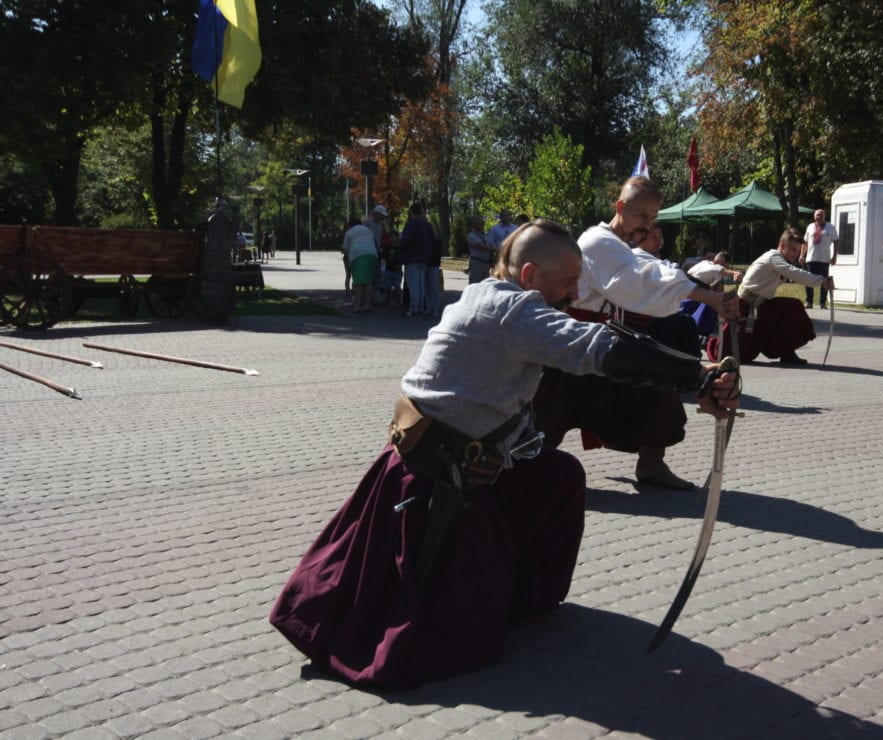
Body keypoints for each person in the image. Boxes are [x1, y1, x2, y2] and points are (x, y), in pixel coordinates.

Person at [268, 219, 739, 690]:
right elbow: (595, 346)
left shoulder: (484, 293)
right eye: (567, 283)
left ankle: (526, 597)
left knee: (557, 475)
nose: (576, 293)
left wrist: (686, 372)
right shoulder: (513, 312)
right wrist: (696, 377)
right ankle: (485, 601)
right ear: (530, 275)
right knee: (447, 628)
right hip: (439, 478)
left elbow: (597, 345)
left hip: (451, 454)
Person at [532, 175, 741, 490]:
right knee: (547, 415)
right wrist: (708, 297)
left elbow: (660, 271)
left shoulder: (624, 246)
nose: (647, 225)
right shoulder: (596, 241)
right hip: (570, 342)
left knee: (655, 383)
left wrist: (714, 297)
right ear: (620, 207)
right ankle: (527, 470)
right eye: (642, 216)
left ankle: (651, 464)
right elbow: (636, 282)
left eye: (653, 218)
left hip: (604, 341)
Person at [709, 228, 833, 366]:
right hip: (744, 306)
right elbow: (794, 273)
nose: (795, 254)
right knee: (732, 353)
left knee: (791, 307)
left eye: (798, 251)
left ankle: (787, 352)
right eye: (792, 249)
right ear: (782, 245)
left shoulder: (781, 260)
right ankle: (706, 343)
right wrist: (822, 280)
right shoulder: (773, 257)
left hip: (762, 305)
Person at [397, 203, 435, 317]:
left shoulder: (411, 224)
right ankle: (420, 307)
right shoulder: (427, 225)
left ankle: (413, 308)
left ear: (412, 212)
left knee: (413, 284)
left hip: (412, 257)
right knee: (421, 284)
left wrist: (400, 254)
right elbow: (433, 240)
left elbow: (405, 240)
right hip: (424, 258)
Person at [802, 208, 838, 309]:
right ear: (814, 216)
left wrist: (834, 256)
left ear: (824, 216)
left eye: (821, 215)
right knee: (808, 280)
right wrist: (802, 255)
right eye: (817, 215)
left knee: (824, 281)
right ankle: (809, 301)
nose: (819, 217)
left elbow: (836, 241)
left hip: (824, 259)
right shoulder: (810, 227)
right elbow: (805, 242)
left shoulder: (831, 228)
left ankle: (823, 302)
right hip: (811, 258)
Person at [343, 218, 378, 313]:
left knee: (358, 282)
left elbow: (346, 249)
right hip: (372, 255)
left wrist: (348, 260)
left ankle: (358, 306)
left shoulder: (349, 232)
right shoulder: (368, 231)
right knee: (368, 281)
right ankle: (367, 305)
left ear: (350, 225)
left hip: (357, 255)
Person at [466, 215, 496, 284]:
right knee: (475, 284)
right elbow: (481, 247)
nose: (482, 225)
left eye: (483, 223)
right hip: (476, 263)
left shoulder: (484, 235)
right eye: (480, 223)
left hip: (485, 264)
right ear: (474, 224)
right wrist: (494, 249)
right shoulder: (471, 235)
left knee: (484, 284)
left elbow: (489, 244)